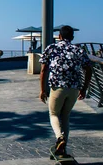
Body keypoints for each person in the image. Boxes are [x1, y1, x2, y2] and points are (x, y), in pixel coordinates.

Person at [39, 25, 92, 156]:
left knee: (54, 114)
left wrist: (42, 90)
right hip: (74, 88)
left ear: (59, 36)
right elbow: (89, 69)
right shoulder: (78, 50)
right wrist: (84, 88)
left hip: (57, 87)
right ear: (72, 37)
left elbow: (43, 70)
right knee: (65, 116)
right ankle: (63, 148)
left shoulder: (51, 48)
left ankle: (59, 137)